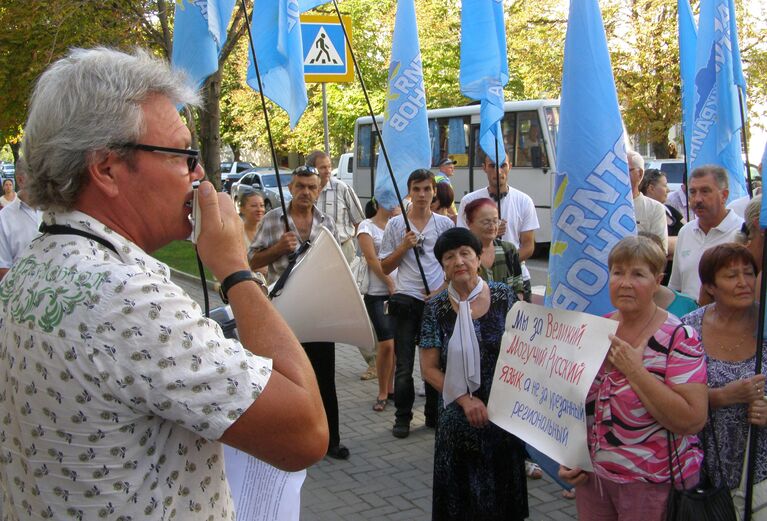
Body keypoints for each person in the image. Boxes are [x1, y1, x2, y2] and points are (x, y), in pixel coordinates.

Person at [0, 47, 327, 519]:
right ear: (107, 169)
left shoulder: (34, 263)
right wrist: (236, 269)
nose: (199, 176)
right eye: (183, 155)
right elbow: (307, 433)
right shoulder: (127, 299)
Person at [560, 235, 708, 520]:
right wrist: (570, 456)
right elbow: (572, 405)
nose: (625, 283)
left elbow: (692, 419)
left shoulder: (679, 337)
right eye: (617, 272)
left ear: (657, 281)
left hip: (653, 485)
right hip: (595, 481)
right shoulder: (596, 329)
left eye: (638, 274)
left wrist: (635, 371)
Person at [420, 227, 528, 521]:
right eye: (449, 257)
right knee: (461, 505)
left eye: (465, 253)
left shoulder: (504, 297)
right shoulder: (436, 309)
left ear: (479, 259)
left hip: (503, 417)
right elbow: (429, 369)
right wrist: (466, 401)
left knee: (504, 502)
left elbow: (526, 351)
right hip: (458, 420)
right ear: (442, 267)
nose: (459, 262)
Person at [249, 165, 350, 459]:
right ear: (291, 188)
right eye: (300, 186)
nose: (306, 192)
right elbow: (252, 261)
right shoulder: (273, 220)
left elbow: (335, 264)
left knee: (324, 378)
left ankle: (331, 440)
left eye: (311, 187)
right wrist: (278, 248)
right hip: (283, 311)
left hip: (317, 311)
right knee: (286, 377)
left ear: (319, 190)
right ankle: (285, 438)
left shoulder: (326, 222)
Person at [680, 244, 767, 502]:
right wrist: (722, 397)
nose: (743, 283)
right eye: (731, 276)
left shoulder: (766, 323)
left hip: (760, 474)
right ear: (710, 286)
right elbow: (669, 394)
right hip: (700, 471)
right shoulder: (688, 329)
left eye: (749, 273)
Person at [380, 169, 455, 439]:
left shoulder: (444, 225)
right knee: (404, 367)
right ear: (409, 192)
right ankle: (402, 417)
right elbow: (385, 265)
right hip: (405, 299)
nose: (422, 195)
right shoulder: (396, 225)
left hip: (435, 301)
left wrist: (441, 289)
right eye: (417, 189)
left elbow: (454, 264)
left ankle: (434, 415)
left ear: (434, 192)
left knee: (435, 364)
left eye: (427, 189)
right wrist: (403, 247)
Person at [308, 150, 373, 379]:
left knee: (350, 304)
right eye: (322, 167)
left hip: (343, 250)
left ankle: (374, 360)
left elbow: (360, 221)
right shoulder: (307, 192)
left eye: (328, 166)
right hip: (315, 256)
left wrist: (353, 248)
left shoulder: (342, 189)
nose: (327, 171)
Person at [457, 153, 539, 302]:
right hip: (478, 280)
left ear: (510, 167)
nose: (498, 170)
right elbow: (462, 242)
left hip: (517, 278)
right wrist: (489, 235)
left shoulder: (524, 201)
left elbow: (528, 246)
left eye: (503, 165)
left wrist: (504, 263)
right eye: (492, 166)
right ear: (484, 168)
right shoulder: (469, 201)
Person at [669, 165, 744, 301]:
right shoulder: (685, 232)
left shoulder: (743, 232)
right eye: (692, 192)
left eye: (705, 191)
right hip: (689, 320)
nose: (697, 199)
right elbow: (676, 288)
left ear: (724, 195)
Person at [357, 198, 398, 412]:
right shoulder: (367, 227)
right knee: (387, 343)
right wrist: (389, 282)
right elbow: (372, 260)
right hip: (377, 293)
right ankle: (382, 391)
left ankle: (391, 389)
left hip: (400, 293)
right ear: (379, 202)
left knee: (398, 345)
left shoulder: (398, 224)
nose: (395, 204)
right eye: (390, 199)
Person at [464, 197, 523, 300]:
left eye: (495, 221)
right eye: (486, 222)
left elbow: (518, 288)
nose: (492, 227)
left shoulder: (508, 250)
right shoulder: (462, 255)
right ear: (469, 223)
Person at [640, 168, 684, 285]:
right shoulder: (639, 212)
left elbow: (689, 237)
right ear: (651, 188)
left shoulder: (673, 212)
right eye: (664, 185)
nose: (668, 190)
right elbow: (654, 247)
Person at [0, 157, 42, 280]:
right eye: (38, 176)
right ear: (20, 180)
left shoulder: (56, 211)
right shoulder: (4, 218)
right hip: (21, 294)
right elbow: (3, 268)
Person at [628, 151, 668, 254]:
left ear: (640, 173)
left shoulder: (655, 209)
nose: (618, 174)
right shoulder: (602, 207)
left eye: (624, 169)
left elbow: (659, 252)